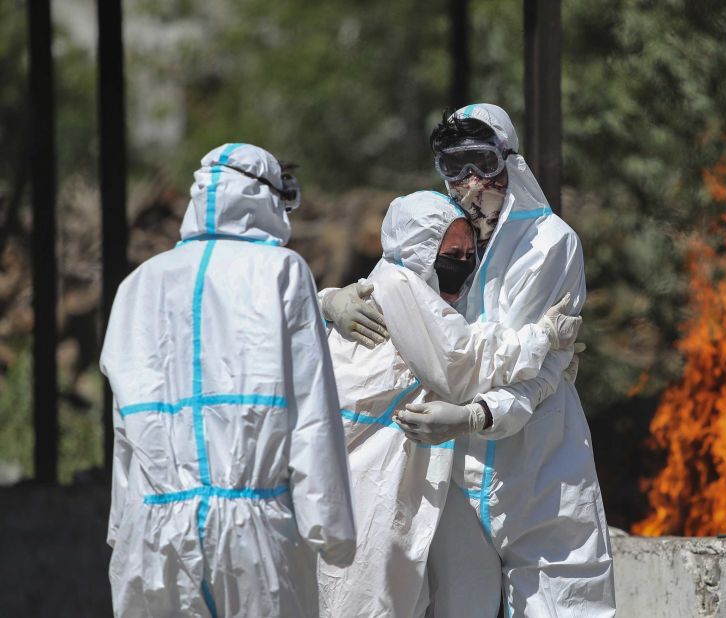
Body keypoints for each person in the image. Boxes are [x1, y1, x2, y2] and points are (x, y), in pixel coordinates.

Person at [100, 143, 356, 618]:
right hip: (253, 533)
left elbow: (123, 431)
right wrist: (331, 527)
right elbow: (311, 409)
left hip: (152, 532)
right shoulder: (281, 271)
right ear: (267, 199)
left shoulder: (137, 285)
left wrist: (121, 526)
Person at [394, 104, 616, 617]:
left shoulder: (549, 244)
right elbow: (396, 290)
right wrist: (331, 301)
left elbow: (524, 372)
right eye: (454, 166)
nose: (469, 181)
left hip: (537, 465)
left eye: (481, 162)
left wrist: (474, 414)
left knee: (565, 605)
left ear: (509, 162)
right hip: (451, 472)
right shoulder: (447, 240)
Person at [317, 190, 582, 617]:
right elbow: (464, 364)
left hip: (400, 475)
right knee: (366, 601)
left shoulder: (412, 288)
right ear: (419, 251)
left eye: (467, 253)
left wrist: (547, 373)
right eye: (449, 253)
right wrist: (543, 341)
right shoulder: (399, 286)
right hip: (367, 480)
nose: (461, 263)